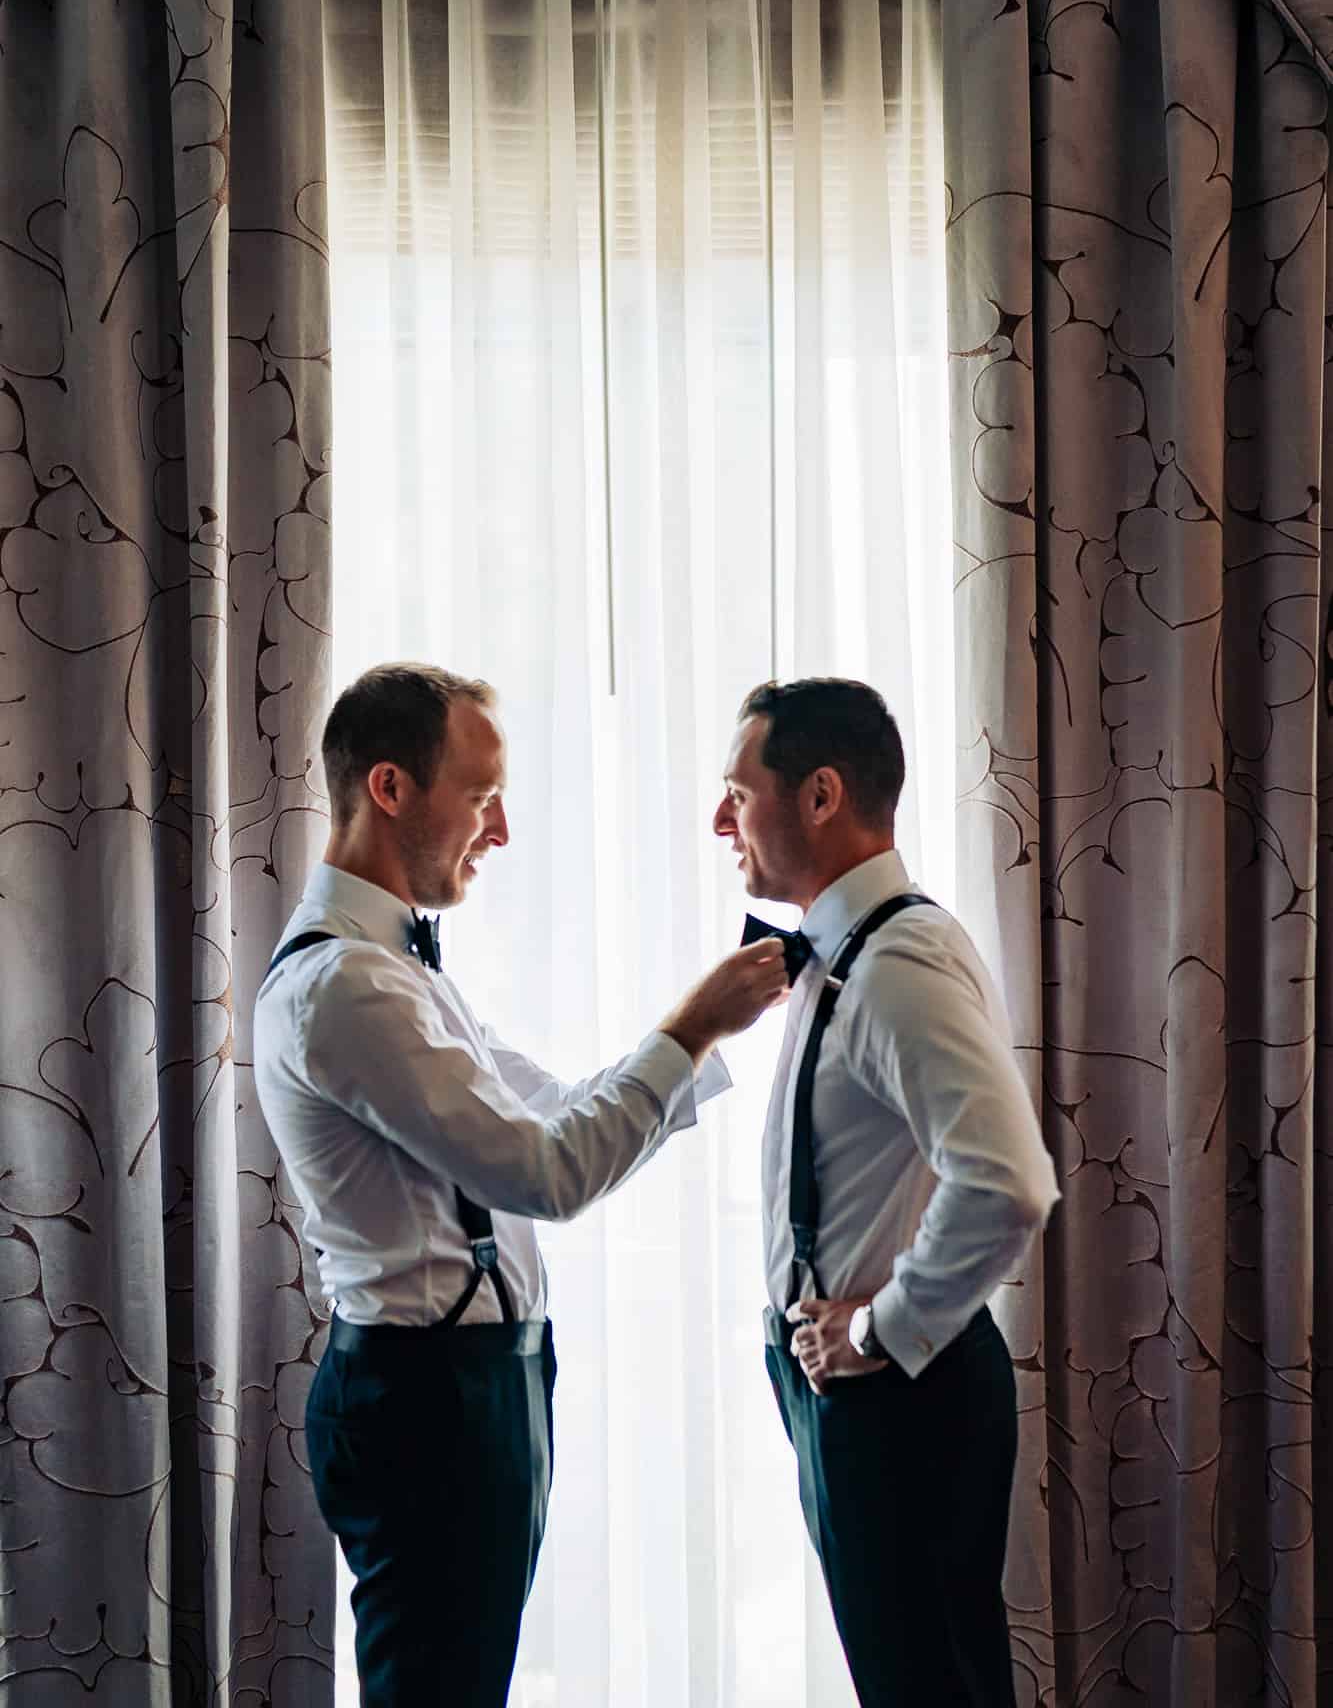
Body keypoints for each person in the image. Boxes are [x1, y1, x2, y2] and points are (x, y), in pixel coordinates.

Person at [253, 663, 787, 1707]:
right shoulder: (345, 985)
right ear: (391, 788)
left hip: (478, 1380)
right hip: (424, 1394)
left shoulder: (397, 971)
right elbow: (543, 1172)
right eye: (482, 797)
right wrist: (693, 1025)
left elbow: (553, 1112)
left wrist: (698, 1041)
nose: (497, 834)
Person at [714, 678, 1059, 1708]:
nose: (720, 818)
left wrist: (877, 1328)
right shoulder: (840, 954)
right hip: (850, 1387)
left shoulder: (899, 959)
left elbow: (1006, 1180)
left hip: (900, 1391)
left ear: (819, 794)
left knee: (928, 1683)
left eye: (738, 791)